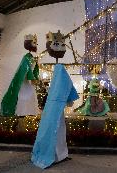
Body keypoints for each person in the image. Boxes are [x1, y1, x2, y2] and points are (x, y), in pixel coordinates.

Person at [31, 30, 79, 169]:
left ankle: (61, 154)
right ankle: (58, 155)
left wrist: (67, 99)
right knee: (56, 131)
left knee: (58, 130)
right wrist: (69, 99)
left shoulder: (58, 69)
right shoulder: (59, 69)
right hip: (56, 106)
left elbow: (66, 84)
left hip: (55, 106)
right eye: (56, 44)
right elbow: (66, 84)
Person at [1, 34, 39, 116]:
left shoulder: (33, 58)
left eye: (36, 43)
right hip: (25, 80)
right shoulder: (26, 58)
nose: (35, 45)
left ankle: (30, 113)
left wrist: (36, 77)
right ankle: (22, 113)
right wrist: (31, 77)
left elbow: (35, 69)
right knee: (23, 97)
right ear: (29, 44)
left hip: (30, 82)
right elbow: (26, 68)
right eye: (34, 43)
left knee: (31, 96)